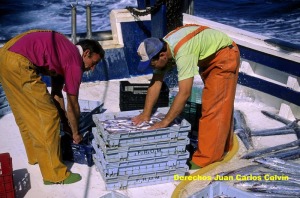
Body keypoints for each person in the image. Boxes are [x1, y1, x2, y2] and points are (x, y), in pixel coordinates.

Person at [0, 30, 105, 184]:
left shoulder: (64, 51)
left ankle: (36, 156)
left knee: (25, 112)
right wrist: (75, 133)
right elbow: (73, 105)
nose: (92, 68)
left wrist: (66, 125)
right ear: (86, 53)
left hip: (4, 55)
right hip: (19, 62)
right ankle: (54, 174)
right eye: (94, 63)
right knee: (48, 116)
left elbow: (56, 94)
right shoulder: (75, 62)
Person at [132, 24, 240, 168]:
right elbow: (156, 82)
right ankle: (222, 145)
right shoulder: (163, 46)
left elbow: (184, 93)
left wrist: (164, 123)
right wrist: (145, 114)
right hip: (208, 56)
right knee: (217, 104)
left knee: (214, 108)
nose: (153, 68)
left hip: (224, 56)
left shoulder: (183, 52)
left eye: (153, 64)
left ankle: (206, 159)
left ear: (162, 56)